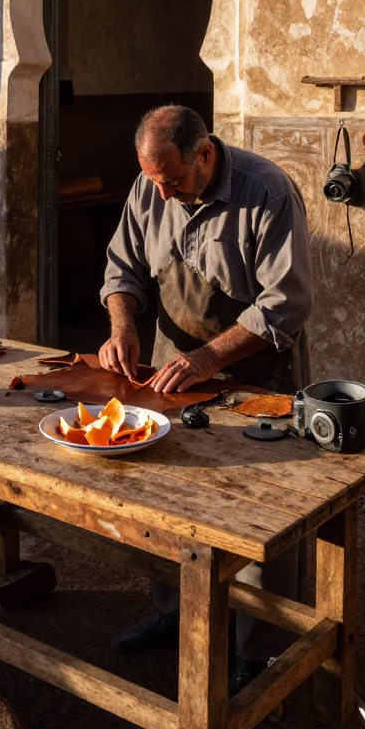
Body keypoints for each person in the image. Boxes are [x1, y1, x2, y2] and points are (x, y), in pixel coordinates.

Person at [98, 104, 313, 692]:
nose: (162, 195)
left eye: (172, 180)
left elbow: (285, 303)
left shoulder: (266, 191)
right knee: (170, 498)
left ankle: (261, 647)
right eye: (153, 181)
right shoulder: (151, 188)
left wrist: (211, 358)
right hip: (171, 368)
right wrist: (123, 328)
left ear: (205, 154)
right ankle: (174, 614)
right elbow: (123, 269)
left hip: (254, 374)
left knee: (260, 512)